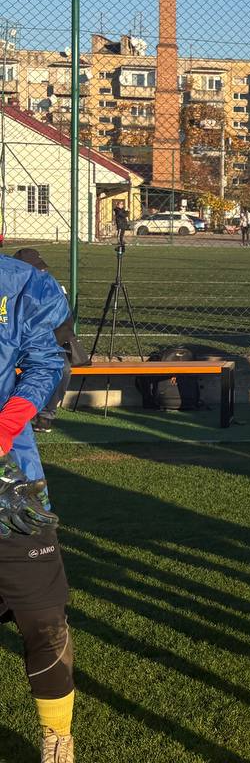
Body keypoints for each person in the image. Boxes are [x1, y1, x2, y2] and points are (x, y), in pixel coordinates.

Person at [0, 252, 77, 763]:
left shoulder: (23, 283)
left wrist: (5, 426)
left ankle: (57, 741)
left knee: (43, 616)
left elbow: (49, 361)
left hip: (10, 481)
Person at [12, 249, 81, 434]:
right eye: (36, 270)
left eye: (41, 269)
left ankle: (46, 415)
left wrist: (46, 345)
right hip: (13, 345)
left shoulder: (52, 289)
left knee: (62, 368)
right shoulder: (9, 289)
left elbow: (65, 325)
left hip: (46, 344)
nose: (41, 273)